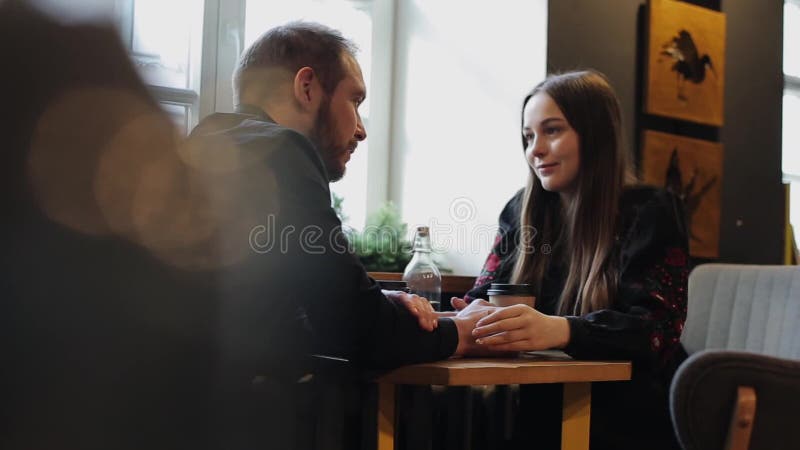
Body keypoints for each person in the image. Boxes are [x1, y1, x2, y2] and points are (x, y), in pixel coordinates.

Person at [185, 21, 485, 449]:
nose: (361, 129)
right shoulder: (282, 151)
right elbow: (356, 329)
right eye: (355, 100)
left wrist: (376, 300)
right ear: (307, 86)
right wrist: (464, 333)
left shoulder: (206, 143)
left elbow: (278, 306)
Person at [460, 70, 690, 450]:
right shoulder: (521, 211)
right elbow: (482, 293)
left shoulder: (651, 211)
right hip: (539, 412)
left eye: (552, 131)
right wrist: (468, 317)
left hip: (630, 419)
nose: (534, 149)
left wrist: (561, 330)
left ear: (595, 135)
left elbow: (656, 330)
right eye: (528, 136)